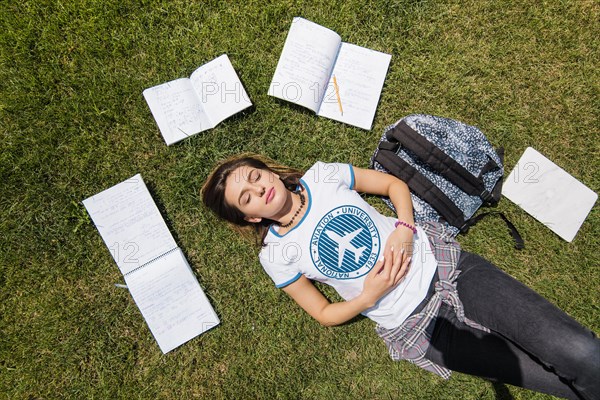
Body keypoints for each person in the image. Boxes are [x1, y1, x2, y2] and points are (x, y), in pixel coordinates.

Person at [201, 154, 600, 400]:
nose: (258, 190)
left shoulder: (322, 176)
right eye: (246, 198)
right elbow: (322, 312)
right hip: (417, 328)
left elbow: (393, 185)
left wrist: (405, 230)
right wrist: (367, 297)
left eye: (254, 178)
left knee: (581, 353)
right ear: (251, 217)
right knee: (556, 382)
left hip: (449, 269)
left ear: (266, 171)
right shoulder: (276, 256)